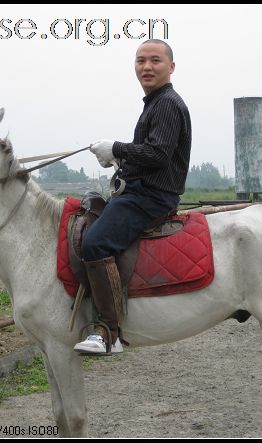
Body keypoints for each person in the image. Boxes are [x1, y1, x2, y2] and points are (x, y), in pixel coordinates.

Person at [74, 39, 192, 355]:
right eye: (140, 61)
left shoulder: (166, 103)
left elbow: (158, 154)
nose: (146, 67)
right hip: (143, 191)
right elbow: (149, 154)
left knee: (95, 242)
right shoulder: (156, 102)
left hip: (150, 197)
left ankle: (107, 332)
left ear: (171, 66)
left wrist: (117, 149)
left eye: (155, 60)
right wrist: (119, 159)